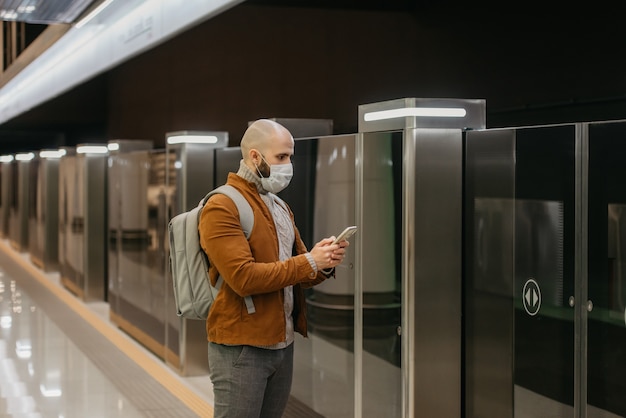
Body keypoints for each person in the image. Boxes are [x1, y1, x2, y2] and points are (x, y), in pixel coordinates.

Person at [199, 119, 350, 418]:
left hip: (283, 344)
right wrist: (309, 262)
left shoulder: (279, 206)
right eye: (281, 157)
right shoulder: (222, 206)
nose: (288, 165)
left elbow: (298, 269)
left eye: (290, 157)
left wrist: (324, 261)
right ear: (255, 157)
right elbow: (243, 278)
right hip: (241, 348)